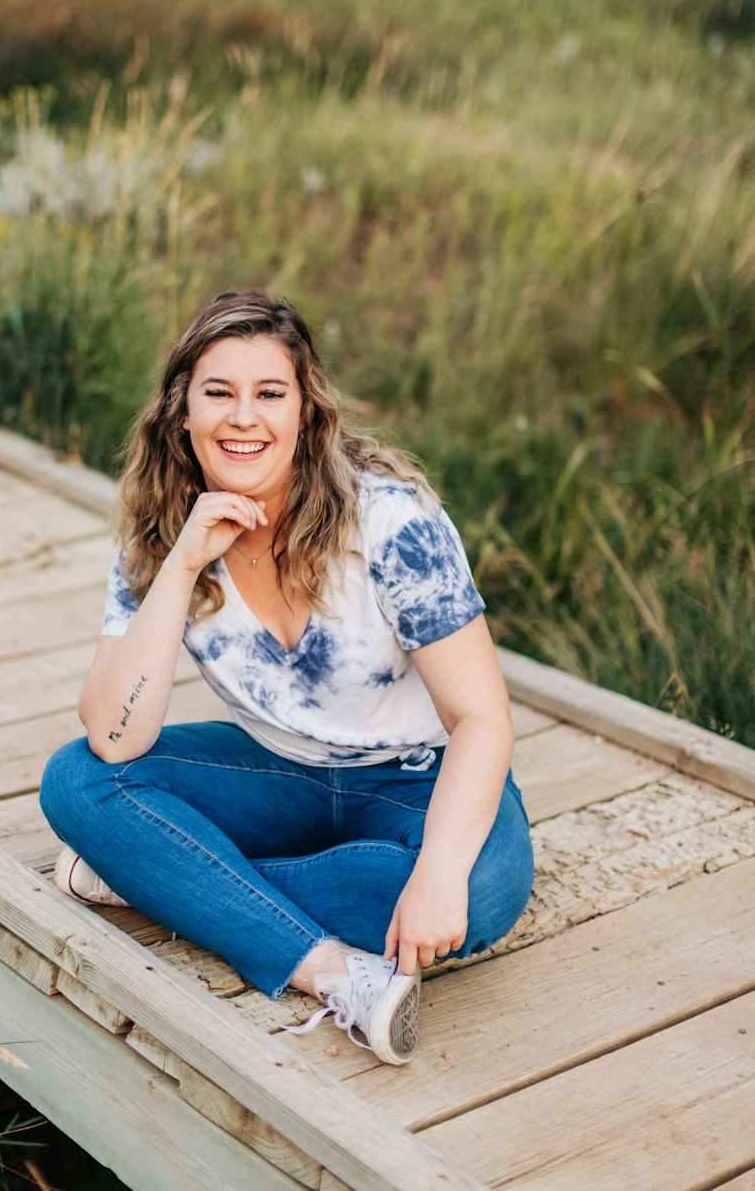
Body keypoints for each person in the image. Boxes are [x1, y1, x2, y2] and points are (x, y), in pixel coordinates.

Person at [40, 290, 534, 1066]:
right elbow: (111, 735)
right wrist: (181, 564)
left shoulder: (390, 522)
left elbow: (482, 718)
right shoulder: (158, 533)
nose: (244, 417)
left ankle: (159, 876)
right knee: (77, 783)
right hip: (278, 773)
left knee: (483, 889)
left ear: (305, 412)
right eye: (219, 393)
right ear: (181, 413)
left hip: (414, 780)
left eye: (269, 394)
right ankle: (332, 972)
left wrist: (438, 872)